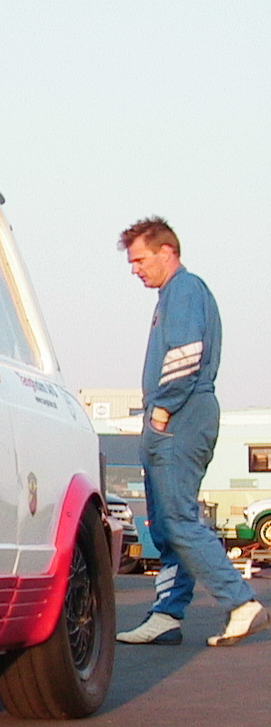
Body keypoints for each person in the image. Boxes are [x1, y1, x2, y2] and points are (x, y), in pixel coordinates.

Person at [115, 217, 265, 646]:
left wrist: (161, 411)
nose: (134, 268)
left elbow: (186, 354)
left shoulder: (184, 289)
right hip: (177, 416)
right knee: (165, 522)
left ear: (167, 252)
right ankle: (166, 615)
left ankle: (241, 603)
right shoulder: (171, 294)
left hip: (182, 415)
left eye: (140, 259)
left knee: (179, 518)